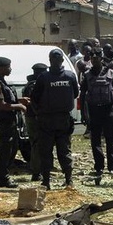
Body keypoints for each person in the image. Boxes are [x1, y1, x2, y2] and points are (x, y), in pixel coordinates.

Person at [31, 49, 79, 190]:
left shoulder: (65, 76)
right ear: (51, 60)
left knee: (59, 151)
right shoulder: (46, 77)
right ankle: (50, 181)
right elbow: (35, 98)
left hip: (58, 119)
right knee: (51, 151)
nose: (56, 61)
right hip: (50, 119)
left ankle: (64, 180)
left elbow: (74, 94)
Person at [80, 49, 113, 185]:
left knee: (111, 140)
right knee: (95, 140)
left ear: (101, 59)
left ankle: (112, 167)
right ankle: (99, 166)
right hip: (94, 111)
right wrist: (83, 114)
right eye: (92, 58)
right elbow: (82, 95)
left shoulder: (110, 73)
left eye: (97, 58)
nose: (94, 61)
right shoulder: (86, 75)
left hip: (109, 110)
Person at [0, 57, 26, 188]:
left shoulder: (2, 82)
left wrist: (21, 100)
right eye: (8, 67)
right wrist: (19, 106)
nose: (10, 69)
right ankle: (3, 177)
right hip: (5, 120)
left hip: (10, 121)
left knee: (11, 148)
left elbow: (8, 98)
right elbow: (2, 105)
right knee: (6, 150)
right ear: (1, 68)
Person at [21, 62, 48, 182]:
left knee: (36, 143)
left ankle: (40, 169)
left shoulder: (30, 84)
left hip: (32, 117)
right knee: (37, 144)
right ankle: (37, 172)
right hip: (35, 117)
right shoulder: (35, 85)